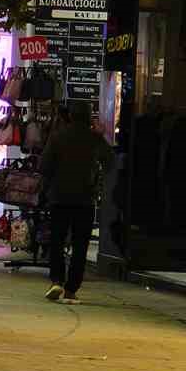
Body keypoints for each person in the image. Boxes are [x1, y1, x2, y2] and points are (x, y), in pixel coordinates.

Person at [39, 100, 114, 304]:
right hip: (85, 200)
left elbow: (44, 166)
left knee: (57, 241)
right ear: (89, 117)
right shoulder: (94, 139)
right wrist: (101, 135)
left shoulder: (58, 136)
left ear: (70, 116)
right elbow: (110, 161)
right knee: (80, 245)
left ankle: (56, 281)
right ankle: (71, 289)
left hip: (59, 198)